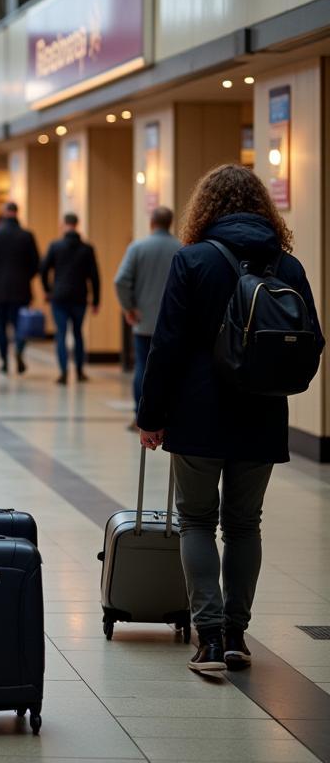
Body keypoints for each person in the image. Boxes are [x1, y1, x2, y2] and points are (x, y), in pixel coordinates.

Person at [138, 164, 323, 675]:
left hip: (197, 413)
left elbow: (167, 345)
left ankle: (211, 638)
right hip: (262, 412)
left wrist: (151, 415)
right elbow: (314, 342)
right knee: (245, 524)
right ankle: (239, 634)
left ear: (205, 207)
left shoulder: (192, 260)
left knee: (197, 520)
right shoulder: (287, 267)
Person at [114, 206, 180, 420]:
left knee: (143, 366)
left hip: (143, 321)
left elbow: (121, 280)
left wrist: (129, 307)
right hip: (173, 323)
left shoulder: (137, 248)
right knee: (171, 369)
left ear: (151, 223)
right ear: (170, 223)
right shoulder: (181, 249)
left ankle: (139, 415)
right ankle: (170, 414)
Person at [40, 213, 100, 384]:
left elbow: (43, 269)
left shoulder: (56, 246)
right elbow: (94, 276)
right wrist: (96, 300)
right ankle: (80, 371)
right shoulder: (87, 248)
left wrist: (47, 289)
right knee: (78, 333)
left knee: (61, 334)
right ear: (77, 224)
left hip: (59, 296)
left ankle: (64, 371)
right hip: (80, 297)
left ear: (63, 224)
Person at [0, 202, 41, 375]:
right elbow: (36, 264)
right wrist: (25, 277)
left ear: (4, 213)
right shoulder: (27, 235)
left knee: (1, 327)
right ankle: (18, 349)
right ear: (17, 213)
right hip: (21, 288)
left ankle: (4, 361)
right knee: (20, 325)